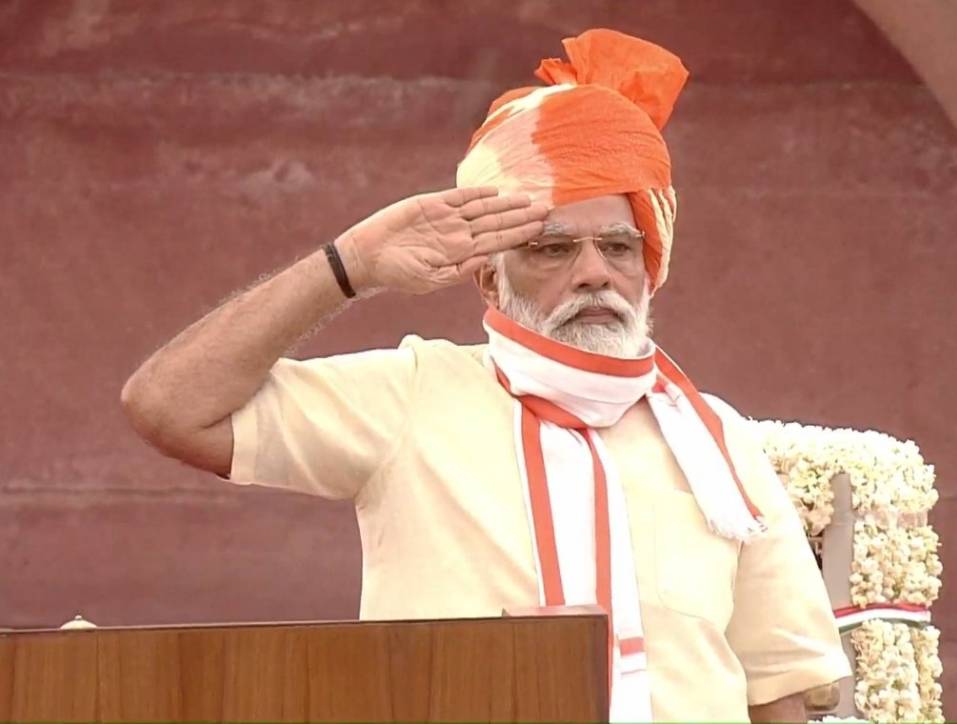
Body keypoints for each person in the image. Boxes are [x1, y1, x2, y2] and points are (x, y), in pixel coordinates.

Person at [121, 28, 849, 722]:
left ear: (649, 267)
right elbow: (168, 407)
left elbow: (775, 684)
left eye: (618, 247)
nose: (594, 272)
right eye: (552, 250)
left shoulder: (715, 439)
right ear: (492, 283)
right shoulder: (413, 396)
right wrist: (347, 267)